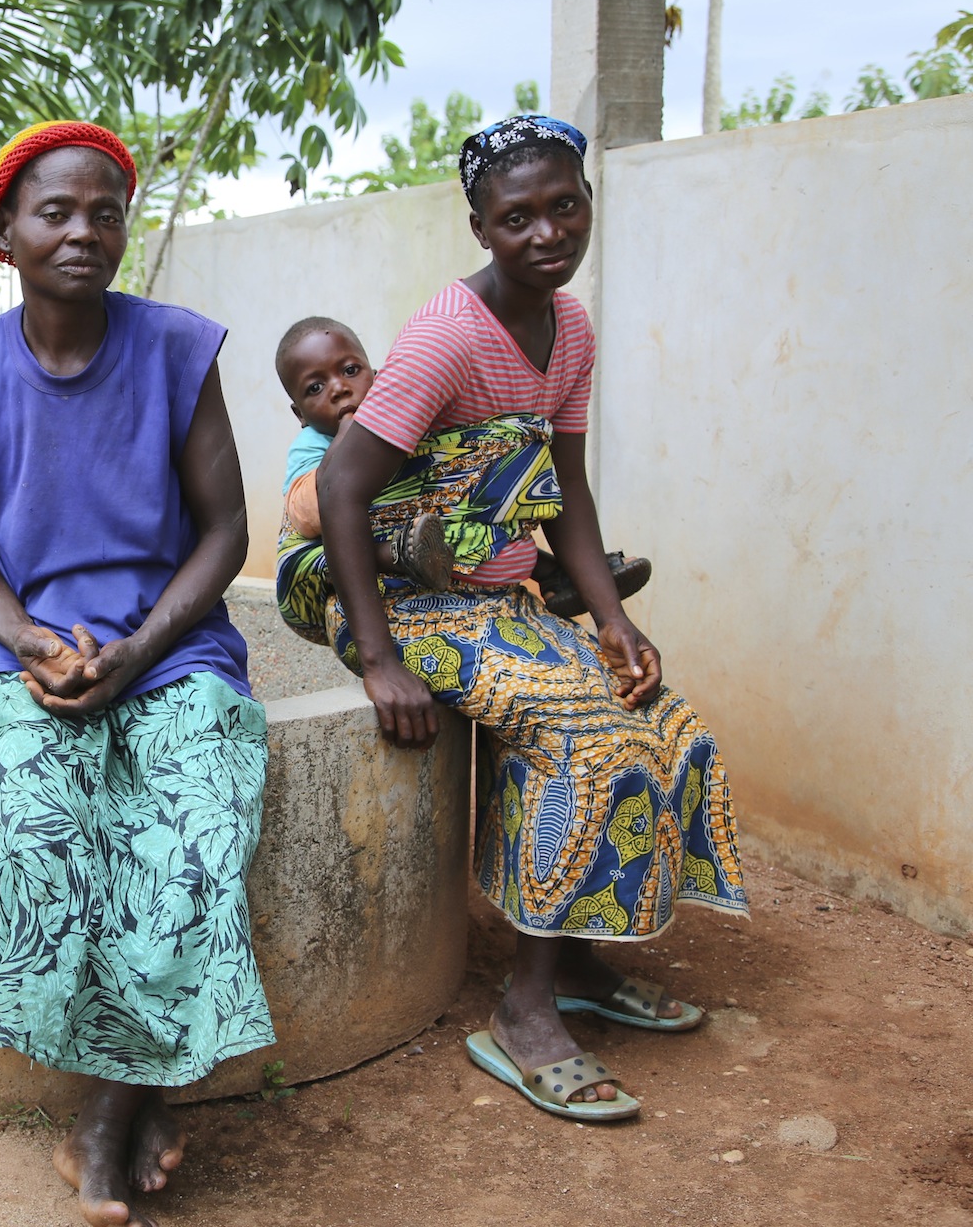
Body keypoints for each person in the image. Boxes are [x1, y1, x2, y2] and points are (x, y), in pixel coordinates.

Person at [315, 115, 747, 1121]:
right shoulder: (449, 337)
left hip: (503, 598)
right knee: (587, 737)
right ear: (480, 226)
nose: (548, 231)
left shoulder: (573, 328)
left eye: (565, 206)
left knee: (667, 719)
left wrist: (613, 621)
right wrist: (379, 656)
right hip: (408, 601)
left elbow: (569, 494)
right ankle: (523, 1007)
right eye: (519, 216)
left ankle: (581, 959)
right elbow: (342, 486)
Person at [0, 122, 271, 1227]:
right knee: (29, 816)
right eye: (55, 212)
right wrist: (25, 640)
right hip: (40, 658)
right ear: (4, 234)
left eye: (106, 211)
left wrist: (143, 650)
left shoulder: (175, 349)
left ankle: (105, 1118)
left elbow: (225, 530)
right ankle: (143, 1091)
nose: (84, 230)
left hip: (174, 652)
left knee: (196, 825)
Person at [270, 315, 651, 644]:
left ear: (377, 374)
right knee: (387, 520)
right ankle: (405, 555)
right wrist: (345, 443)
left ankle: (556, 573)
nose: (338, 388)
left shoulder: (394, 414)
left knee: (483, 474)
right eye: (315, 388)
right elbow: (309, 513)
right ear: (299, 413)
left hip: (423, 533)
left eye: (350, 370)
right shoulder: (311, 444)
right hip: (330, 562)